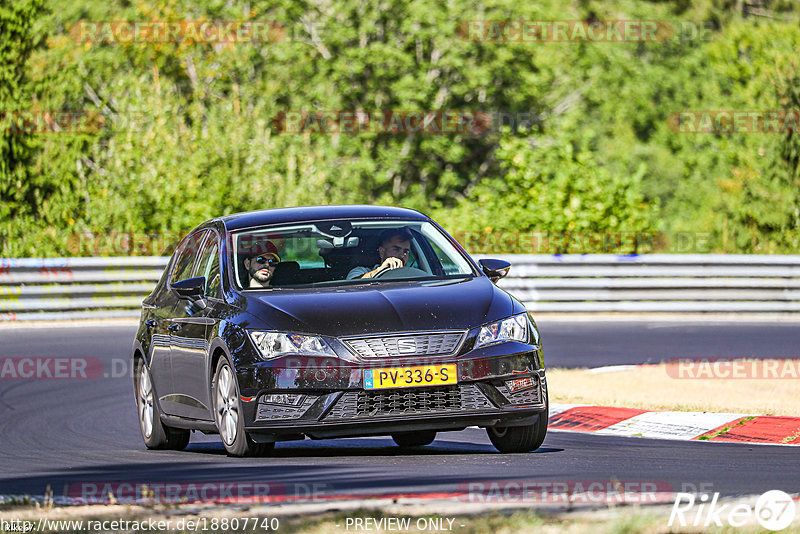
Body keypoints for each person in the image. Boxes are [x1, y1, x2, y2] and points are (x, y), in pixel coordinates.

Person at [347, 228, 412, 279]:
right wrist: (379, 270)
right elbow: (351, 287)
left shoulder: (414, 275)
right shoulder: (361, 271)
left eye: (405, 252)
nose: (402, 255)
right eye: (396, 249)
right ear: (382, 252)